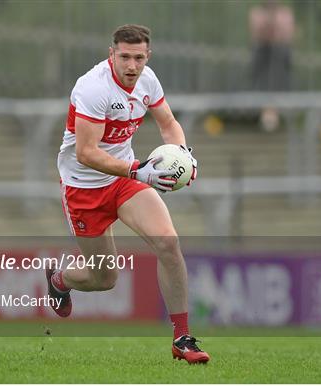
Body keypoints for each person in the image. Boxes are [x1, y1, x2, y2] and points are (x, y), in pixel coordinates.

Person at [46, 24, 209, 364]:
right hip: (85, 188)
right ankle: (60, 279)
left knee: (168, 242)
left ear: (147, 56)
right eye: (124, 57)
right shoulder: (92, 88)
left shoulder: (148, 80)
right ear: (112, 55)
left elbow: (167, 123)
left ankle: (183, 338)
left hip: (124, 180)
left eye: (138, 58)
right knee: (104, 278)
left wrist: (182, 155)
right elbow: (86, 153)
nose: (132, 66)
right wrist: (139, 170)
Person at [248, 0, 295, 131]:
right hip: (263, 55)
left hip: (279, 56)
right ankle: (263, 112)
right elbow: (258, 34)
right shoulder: (256, 13)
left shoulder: (285, 13)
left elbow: (286, 35)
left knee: (278, 73)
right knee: (264, 79)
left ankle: (276, 112)